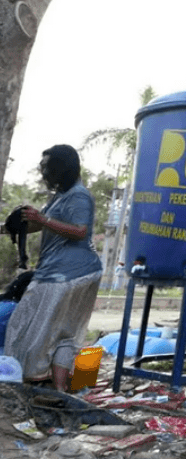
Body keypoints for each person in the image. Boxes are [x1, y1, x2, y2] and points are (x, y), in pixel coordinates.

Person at [5, 145, 102, 391]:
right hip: (76, 273)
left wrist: (43, 219)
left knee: (24, 327)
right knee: (64, 336)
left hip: (64, 275)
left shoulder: (79, 195)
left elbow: (80, 231)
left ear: (63, 169)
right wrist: (10, 227)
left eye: (48, 169)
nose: (44, 174)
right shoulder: (61, 195)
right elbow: (40, 226)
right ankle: (61, 393)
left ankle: (30, 386)